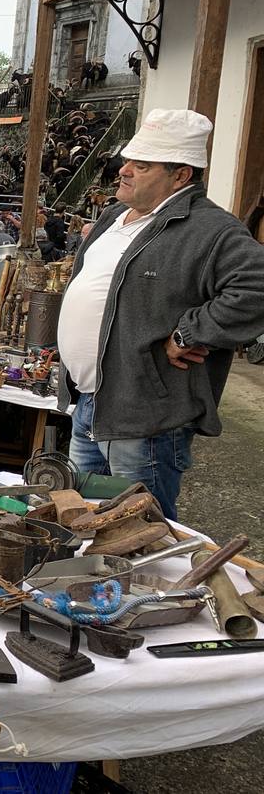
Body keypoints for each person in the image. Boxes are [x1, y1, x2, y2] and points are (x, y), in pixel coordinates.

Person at [57, 108, 264, 519]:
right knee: (77, 516)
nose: (125, 170)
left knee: (140, 530)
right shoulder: (117, 216)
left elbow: (256, 287)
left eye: (142, 165)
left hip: (145, 414)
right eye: (129, 160)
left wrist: (189, 333)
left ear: (180, 175)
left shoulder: (211, 230)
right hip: (90, 402)